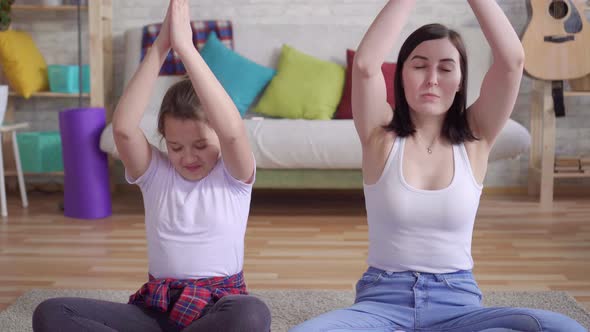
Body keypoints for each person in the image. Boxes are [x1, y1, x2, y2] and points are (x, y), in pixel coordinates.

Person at [290, 1, 586, 331]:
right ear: (400, 75)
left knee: (566, 328)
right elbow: (364, 66)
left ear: (460, 80)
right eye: (419, 66)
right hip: (382, 303)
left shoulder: (477, 136)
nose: (432, 79)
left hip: (457, 304)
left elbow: (512, 60)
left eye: (446, 68)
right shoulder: (379, 135)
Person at [32, 1, 270, 331]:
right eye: (176, 147)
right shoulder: (155, 174)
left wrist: (186, 49)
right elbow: (124, 129)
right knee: (51, 312)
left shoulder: (234, 177)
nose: (188, 157)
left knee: (252, 313)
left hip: (217, 307)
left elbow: (233, 130)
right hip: (157, 310)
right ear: (164, 141)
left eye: (201, 145)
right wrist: (161, 46)